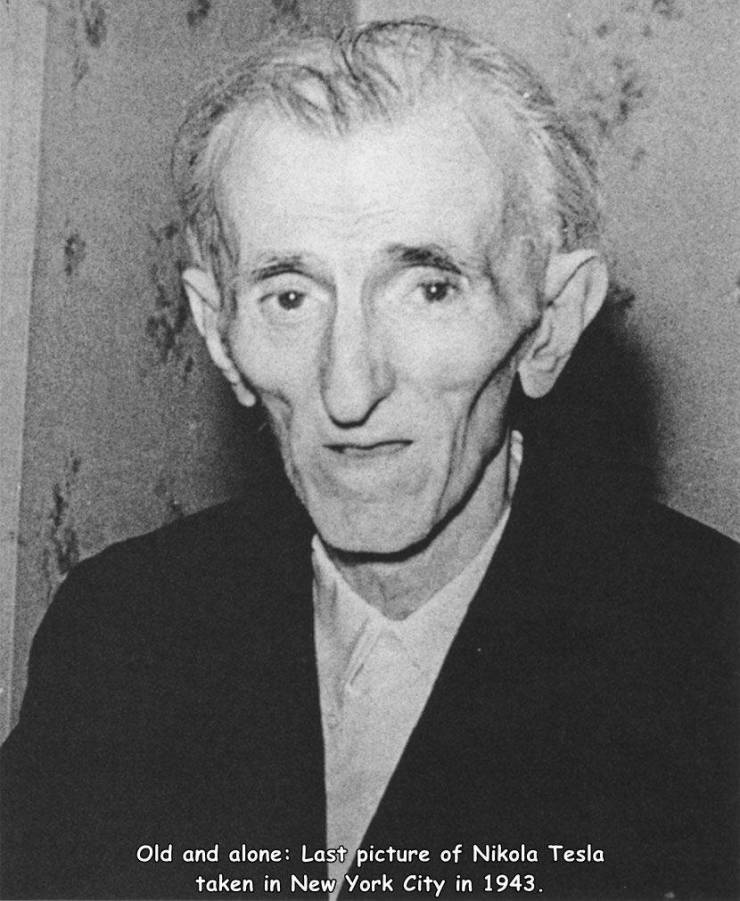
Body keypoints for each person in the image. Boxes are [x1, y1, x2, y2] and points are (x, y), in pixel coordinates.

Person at [1, 19, 737, 901]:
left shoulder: (709, 657)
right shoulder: (121, 634)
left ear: (551, 325)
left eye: (430, 288)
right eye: (289, 296)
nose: (349, 390)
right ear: (219, 333)